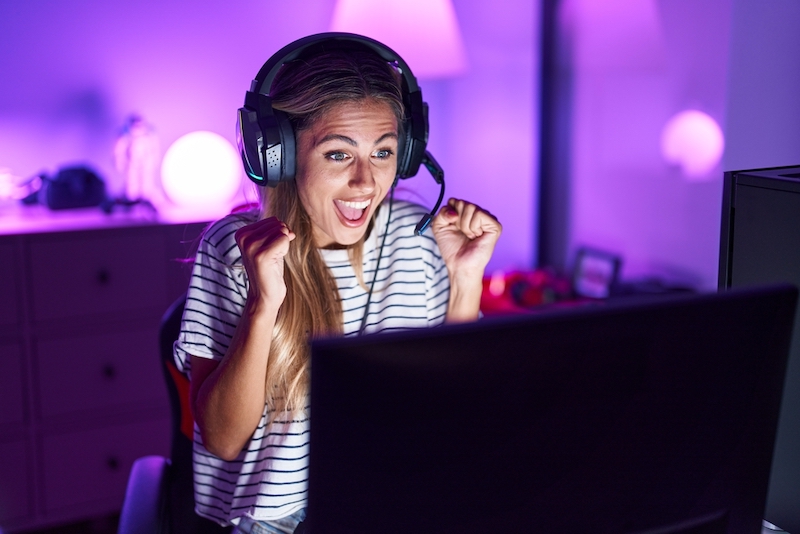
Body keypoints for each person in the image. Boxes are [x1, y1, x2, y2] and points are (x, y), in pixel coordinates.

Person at [173, 33, 502, 534]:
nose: (366, 182)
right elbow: (220, 439)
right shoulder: (234, 249)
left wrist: (463, 282)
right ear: (279, 154)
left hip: (399, 510)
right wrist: (265, 304)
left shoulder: (419, 235)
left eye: (384, 152)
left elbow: (450, 414)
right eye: (337, 155)